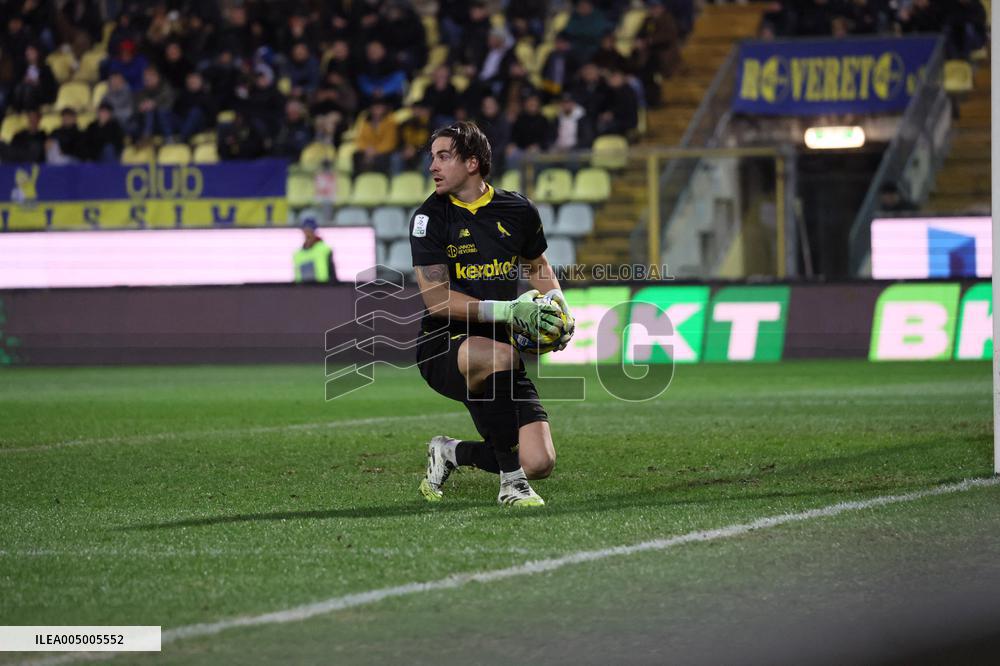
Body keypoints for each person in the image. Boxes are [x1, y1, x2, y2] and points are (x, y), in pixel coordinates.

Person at [409, 121, 576, 507]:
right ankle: (511, 486)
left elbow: (538, 267)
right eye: (432, 157)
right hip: (443, 345)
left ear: (472, 163)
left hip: (499, 349)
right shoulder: (429, 219)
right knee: (501, 355)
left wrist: (561, 311)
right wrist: (510, 309)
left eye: (443, 156)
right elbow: (437, 300)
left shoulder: (517, 209)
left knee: (539, 461)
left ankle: (450, 452)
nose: (432, 166)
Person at [294, 218, 336, 283]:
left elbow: (332, 274)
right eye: (305, 231)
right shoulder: (297, 254)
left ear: (315, 232)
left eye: (310, 231)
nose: (308, 234)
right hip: (303, 290)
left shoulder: (325, 249)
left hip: (323, 289)